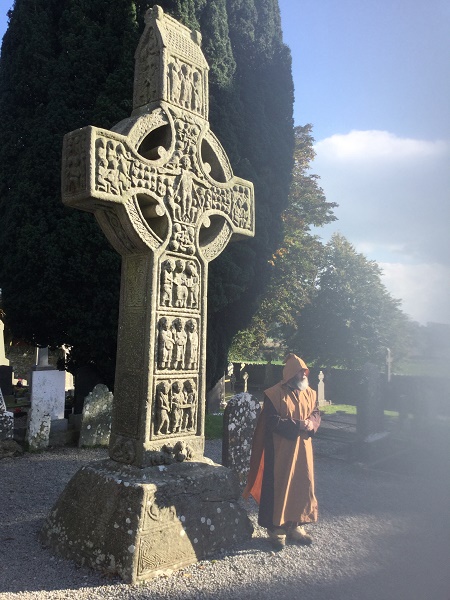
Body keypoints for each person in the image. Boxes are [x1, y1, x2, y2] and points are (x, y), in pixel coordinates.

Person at [243, 353, 321, 550]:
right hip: (280, 450)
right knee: (279, 486)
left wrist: (312, 423)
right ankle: (276, 528)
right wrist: (299, 425)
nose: (304, 376)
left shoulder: (310, 393)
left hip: (303, 450)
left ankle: (296, 525)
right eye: (300, 372)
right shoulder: (274, 394)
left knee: (302, 483)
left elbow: (316, 413)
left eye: (305, 372)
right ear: (290, 375)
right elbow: (271, 421)